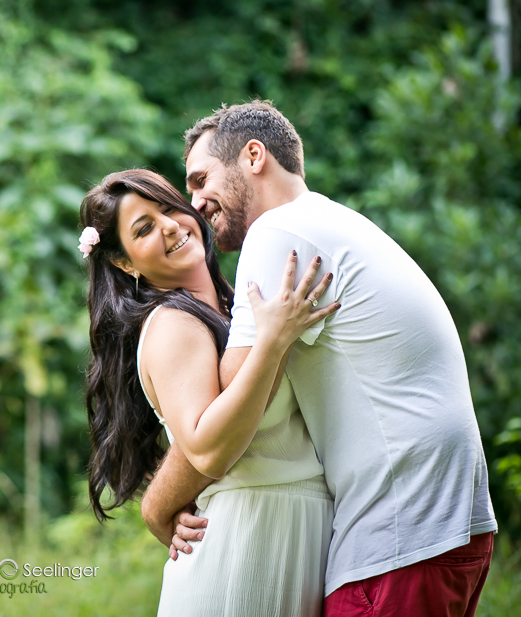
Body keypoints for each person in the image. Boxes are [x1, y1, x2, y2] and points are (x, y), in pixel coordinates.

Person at [144, 101, 498, 617]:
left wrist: (156, 507)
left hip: (399, 531)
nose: (194, 202)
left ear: (254, 155)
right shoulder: (332, 222)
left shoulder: (279, 233)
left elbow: (227, 410)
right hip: (446, 523)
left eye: (202, 179)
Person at [80, 168, 340, 616]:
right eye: (143, 228)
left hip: (295, 532)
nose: (169, 226)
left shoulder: (233, 305)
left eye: (168, 208)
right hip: (245, 546)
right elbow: (205, 448)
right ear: (125, 263)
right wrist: (273, 342)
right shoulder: (171, 324)